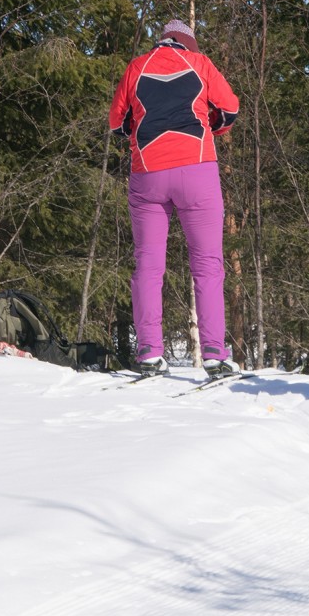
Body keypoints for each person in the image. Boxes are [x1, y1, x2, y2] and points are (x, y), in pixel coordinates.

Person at [108, 19, 241, 379]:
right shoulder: (200, 64)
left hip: (147, 173)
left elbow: (117, 122)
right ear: (187, 44)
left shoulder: (136, 66)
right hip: (197, 169)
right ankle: (214, 353)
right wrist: (210, 123)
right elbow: (230, 108)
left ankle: (150, 351)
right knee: (207, 264)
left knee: (148, 265)